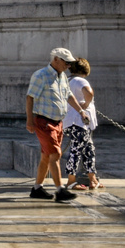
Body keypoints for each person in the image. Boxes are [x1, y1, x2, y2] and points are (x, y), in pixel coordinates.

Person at [26, 47, 80, 202]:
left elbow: (69, 95)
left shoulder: (62, 76)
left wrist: (81, 111)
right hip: (44, 121)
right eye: (66, 62)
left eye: (70, 63)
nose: (68, 66)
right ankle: (60, 190)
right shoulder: (41, 75)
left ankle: (37, 188)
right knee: (55, 155)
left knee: (46, 157)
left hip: (58, 122)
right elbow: (30, 98)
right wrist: (29, 120)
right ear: (56, 59)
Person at [63, 58, 100, 191]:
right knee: (77, 150)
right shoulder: (81, 80)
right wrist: (86, 104)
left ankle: (92, 179)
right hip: (79, 122)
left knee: (89, 149)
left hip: (70, 122)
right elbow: (89, 93)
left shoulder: (68, 80)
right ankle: (71, 181)